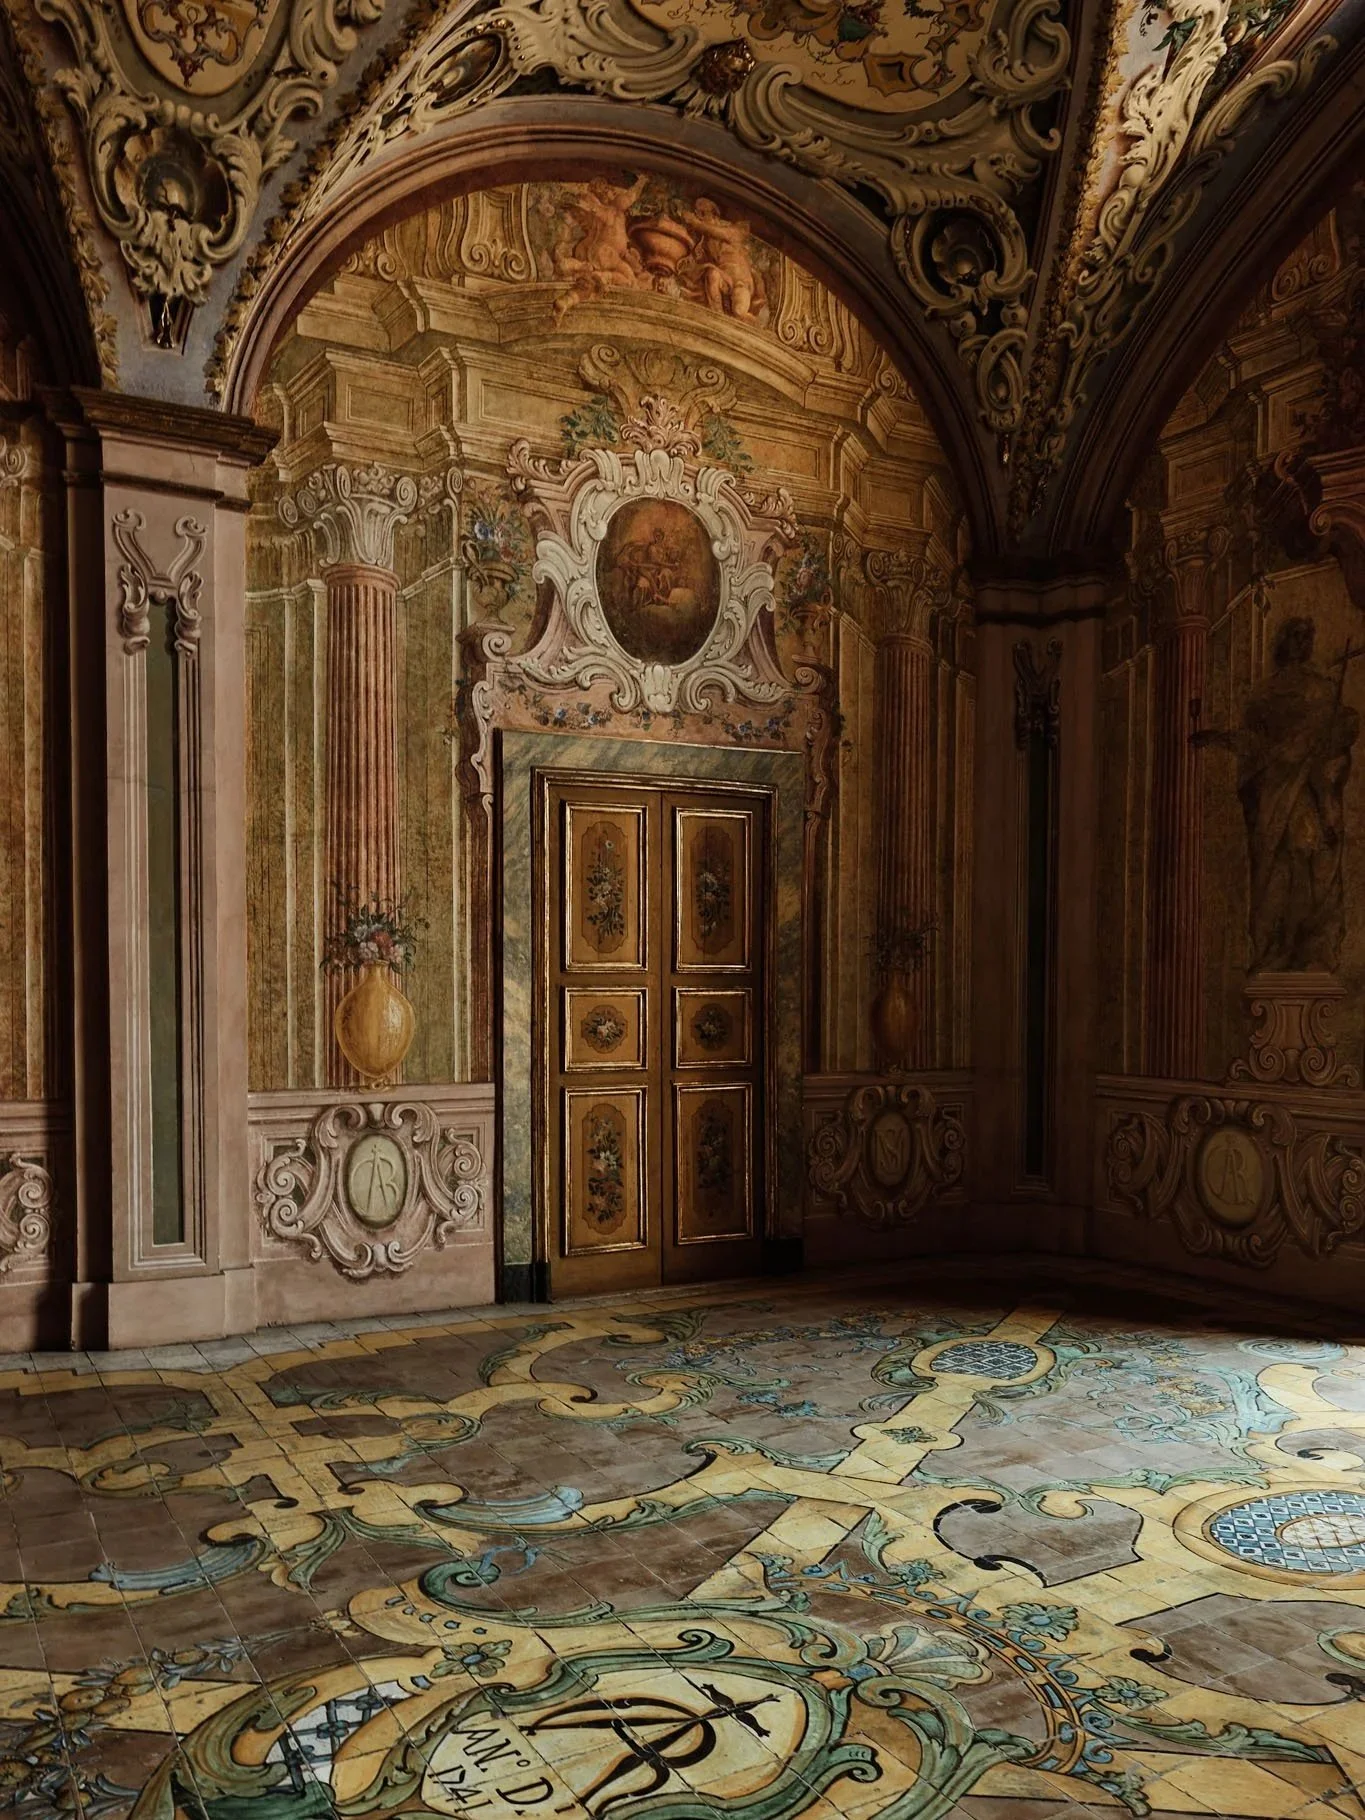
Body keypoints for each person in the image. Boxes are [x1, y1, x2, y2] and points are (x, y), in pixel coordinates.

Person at [1197, 615, 1361, 971]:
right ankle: (1273, 948)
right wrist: (1221, 738)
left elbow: (1333, 747)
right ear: (1283, 643)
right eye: (1296, 636)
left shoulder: (1322, 690)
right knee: (1275, 871)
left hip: (1308, 794)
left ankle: (1303, 947)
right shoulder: (1264, 695)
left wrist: (1340, 732)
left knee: (1306, 857)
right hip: (1273, 795)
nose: (1303, 643)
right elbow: (1254, 744)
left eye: (1308, 636)